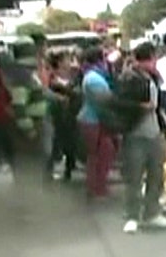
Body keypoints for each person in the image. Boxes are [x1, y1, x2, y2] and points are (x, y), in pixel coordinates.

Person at [116, 42, 166, 234]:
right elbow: (118, 103)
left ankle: (152, 212)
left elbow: (158, 107)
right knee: (134, 177)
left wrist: (165, 127)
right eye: (152, 57)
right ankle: (132, 215)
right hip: (135, 133)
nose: (155, 61)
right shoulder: (128, 78)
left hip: (154, 131)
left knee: (156, 174)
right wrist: (140, 106)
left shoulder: (153, 77)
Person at [77, 46, 117, 199]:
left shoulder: (93, 76)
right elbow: (105, 99)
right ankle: (96, 186)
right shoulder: (94, 78)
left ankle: (97, 185)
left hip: (93, 118)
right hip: (93, 120)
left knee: (103, 152)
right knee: (99, 154)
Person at [46, 51, 79, 181]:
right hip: (57, 116)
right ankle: (49, 172)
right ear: (59, 62)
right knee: (54, 144)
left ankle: (69, 169)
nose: (69, 62)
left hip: (70, 116)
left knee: (69, 143)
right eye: (67, 60)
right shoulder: (52, 78)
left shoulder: (73, 77)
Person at [0, 57, 15, 173]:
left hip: (2, 111)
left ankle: (2, 160)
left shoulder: (1, 74)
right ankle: (0, 160)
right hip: (0, 111)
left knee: (2, 136)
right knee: (0, 136)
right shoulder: (1, 74)